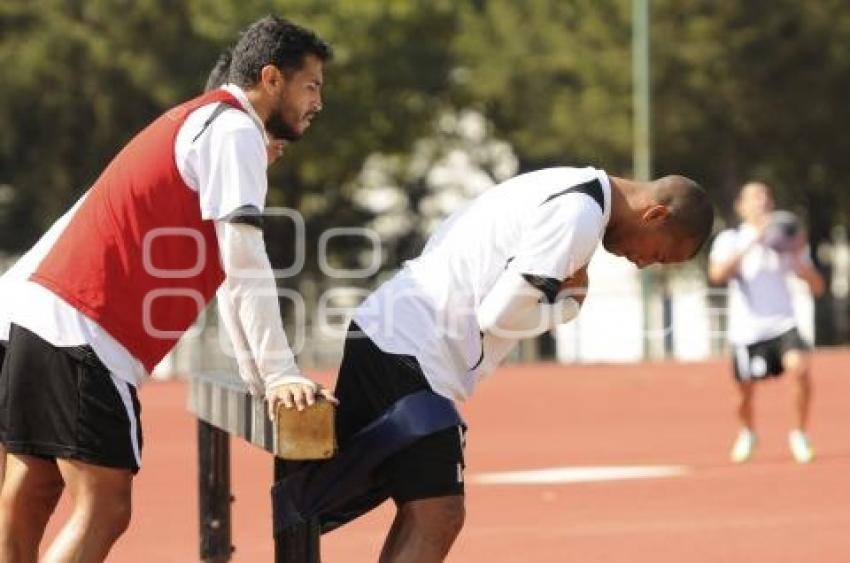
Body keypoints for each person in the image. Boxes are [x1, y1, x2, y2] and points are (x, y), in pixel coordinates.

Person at [0, 16, 335, 562]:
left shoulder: (201, 122)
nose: (318, 102)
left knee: (32, 489)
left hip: (41, 317)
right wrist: (278, 373)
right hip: (84, 326)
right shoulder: (234, 129)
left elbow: (230, 277)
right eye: (312, 86)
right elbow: (247, 260)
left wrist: (261, 376)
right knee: (105, 507)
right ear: (271, 79)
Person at [334, 167, 714, 562]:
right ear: (655, 216)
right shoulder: (579, 215)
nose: (643, 263)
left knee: (420, 507)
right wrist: (565, 310)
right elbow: (497, 316)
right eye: (660, 255)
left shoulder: (565, 184)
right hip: (408, 348)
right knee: (435, 513)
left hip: (397, 337)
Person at [708, 181, 825, 464]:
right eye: (754, 197)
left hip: (783, 324)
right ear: (741, 206)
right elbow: (717, 275)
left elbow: (817, 287)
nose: (761, 202)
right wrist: (753, 240)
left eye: (766, 196)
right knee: (743, 396)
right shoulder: (730, 239)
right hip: (747, 332)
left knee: (799, 369)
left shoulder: (785, 238)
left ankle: (799, 433)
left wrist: (798, 254)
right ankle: (748, 432)